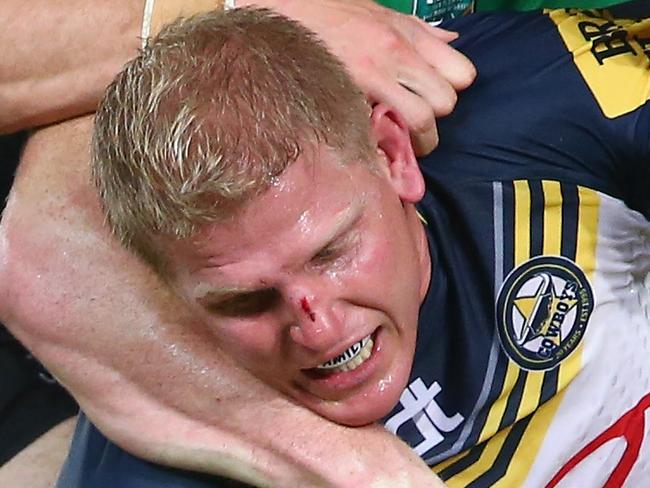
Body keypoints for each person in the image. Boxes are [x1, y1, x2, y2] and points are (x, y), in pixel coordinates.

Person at [70, 5, 650, 487]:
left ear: (391, 154)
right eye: (243, 301)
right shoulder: (151, 466)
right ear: (166, 290)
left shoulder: (547, 99)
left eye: (331, 252)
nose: (319, 332)